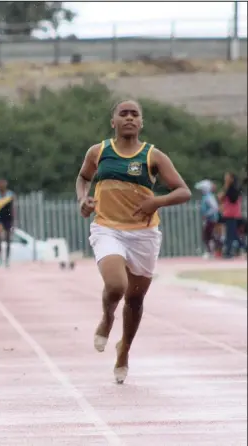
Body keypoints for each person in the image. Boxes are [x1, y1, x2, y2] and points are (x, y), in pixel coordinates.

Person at [76, 99, 191, 384]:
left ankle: (124, 349)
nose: (129, 118)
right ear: (113, 121)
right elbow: (82, 178)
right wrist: (83, 199)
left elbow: (183, 191)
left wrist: (157, 202)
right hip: (107, 229)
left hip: (143, 234)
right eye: (122, 114)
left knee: (136, 299)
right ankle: (107, 317)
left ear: (141, 123)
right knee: (116, 286)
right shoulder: (99, 151)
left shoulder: (153, 156)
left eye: (134, 114)